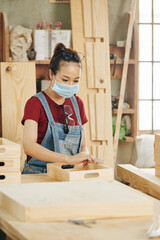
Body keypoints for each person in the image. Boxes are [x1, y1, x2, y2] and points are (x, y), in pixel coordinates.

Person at [21, 43, 96, 174]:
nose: (70, 85)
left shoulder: (78, 104)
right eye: (65, 79)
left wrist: (85, 156)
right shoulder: (35, 103)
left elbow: (83, 145)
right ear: (51, 74)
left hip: (68, 175)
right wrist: (68, 159)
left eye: (76, 80)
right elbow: (29, 146)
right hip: (39, 175)